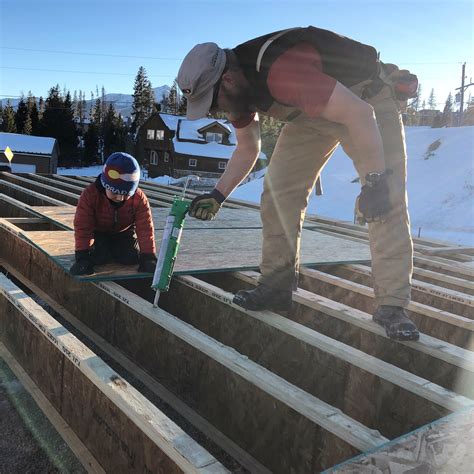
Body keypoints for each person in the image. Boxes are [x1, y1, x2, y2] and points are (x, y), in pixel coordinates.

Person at [177, 26, 420, 341]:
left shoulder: (282, 72)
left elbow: (359, 115)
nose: (215, 112)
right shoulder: (239, 90)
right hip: (311, 112)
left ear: (227, 80)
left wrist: (373, 181)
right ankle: (276, 286)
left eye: (212, 103)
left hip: (365, 102)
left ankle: (392, 305)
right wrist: (218, 194)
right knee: (278, 192)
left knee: (384, 198)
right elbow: (248, 148)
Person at [70, 152, 157, 276]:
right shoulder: (90, 195)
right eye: (115, 192)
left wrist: (148, 256)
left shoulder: (139, 198)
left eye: (126, 194)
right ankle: (102, 248)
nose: (120, 198)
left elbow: (145, 228)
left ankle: (114, 248)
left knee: (130, 259)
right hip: (99, 232)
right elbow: (83, 227)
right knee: (98, 259)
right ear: (105, 184)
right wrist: (82, 256)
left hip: (124, 232)